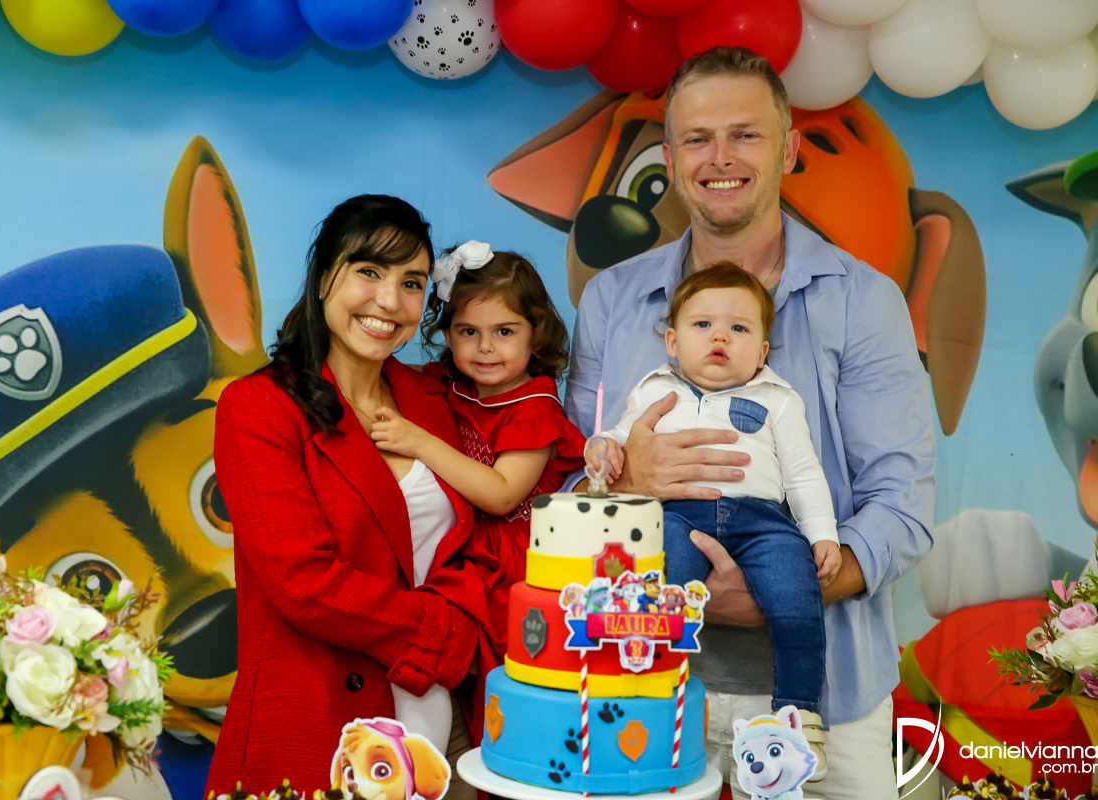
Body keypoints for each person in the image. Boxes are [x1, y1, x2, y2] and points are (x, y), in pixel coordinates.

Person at [564, 47, 935, 800]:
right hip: (644, 689)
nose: (721, 158)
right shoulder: (611, 300)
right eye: (698, 139)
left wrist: (784, 587)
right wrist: (624, 479)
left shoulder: (863, 301)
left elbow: (901, 505)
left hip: (831, 697)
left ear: (789, 149)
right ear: (672, 159)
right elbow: (568, 479)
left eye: (746, 135)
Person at [205, 195, 494, 799]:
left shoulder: (434, 399)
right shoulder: (259, 406)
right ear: (322, 278)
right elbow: (302, 583)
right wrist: (450, 636)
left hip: (448, 725)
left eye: (411, 282)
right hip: (322, 719)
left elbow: (483, 529)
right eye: (369, 271)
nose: (390, 301)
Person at [591, 261, 840, 776]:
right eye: (702, 324)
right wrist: (604, 448)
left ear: (763, 353)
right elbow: (619, 437)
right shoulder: (654, 390)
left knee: (797, 596)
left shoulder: (778, 398)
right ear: (673, 342)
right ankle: (648, 693)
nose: (720, 336)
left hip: (763, 523)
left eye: (739, 328)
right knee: (662, 589)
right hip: (679, 516)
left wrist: (822, 535)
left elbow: (803, 474)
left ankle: (800, 715)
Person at [371, 243, 587, 652]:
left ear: (535, 335)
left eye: (504, 332)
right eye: (469, 332)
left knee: (478, 659)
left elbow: (501, 495)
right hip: (465, 543)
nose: (485, 347)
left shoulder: (534, 409)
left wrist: (418, 441)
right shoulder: (453, 386)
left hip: (514, 565)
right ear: (448, 335)